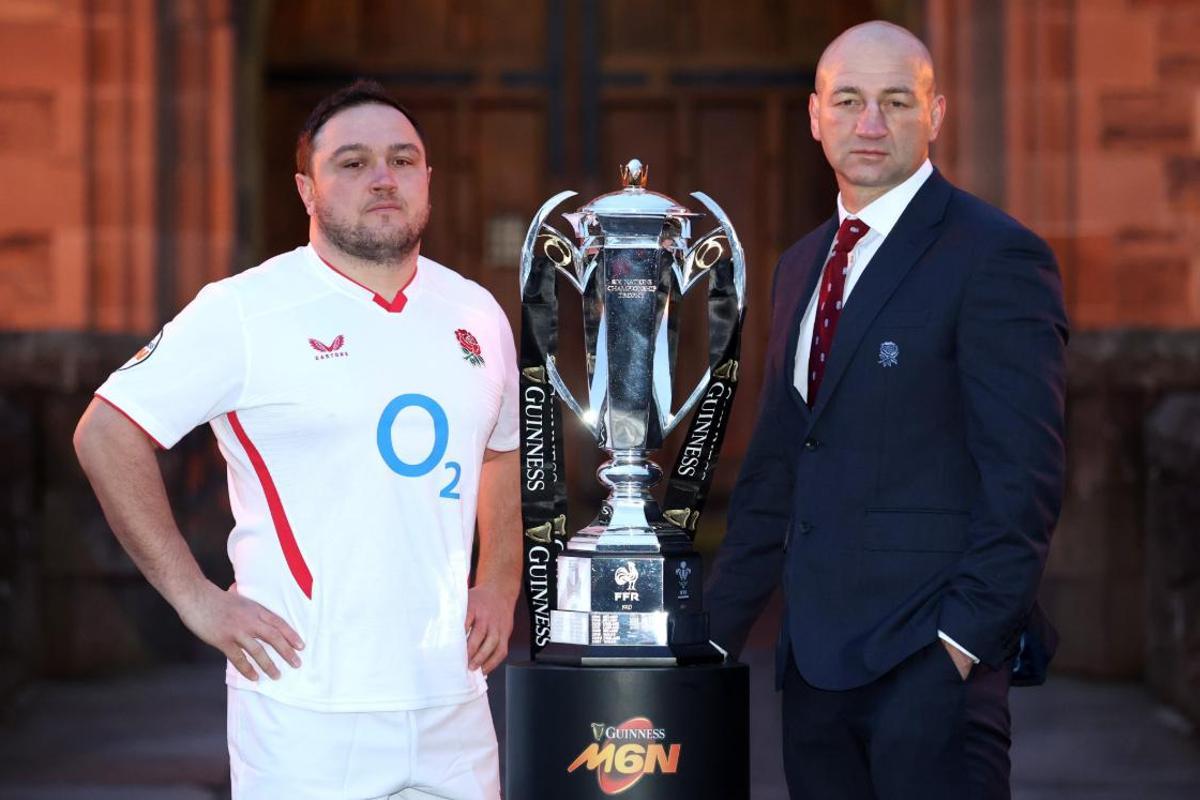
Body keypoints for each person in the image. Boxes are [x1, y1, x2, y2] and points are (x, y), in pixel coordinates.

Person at [73, 80, 520, 800]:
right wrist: (196, 600)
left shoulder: (476, 311)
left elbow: (498, 450)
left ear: (428, 181)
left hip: (452, 705)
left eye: (403, 160)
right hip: (306, 709)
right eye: (352, 162)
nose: (383, 177)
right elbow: (106, 433)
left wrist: (499, 579)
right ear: (307, 190)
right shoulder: (244, 312)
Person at [706, 21, 1068, 800]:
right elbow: (778, 467)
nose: (870, 125)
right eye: (850, 101)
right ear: (815, 115)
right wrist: (709, 637)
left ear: (935, 115)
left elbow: (1026, 480)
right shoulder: (803, 264)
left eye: (896, 102)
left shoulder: (996, 256)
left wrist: (961, 646)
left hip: (929, 670)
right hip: (812, 677)